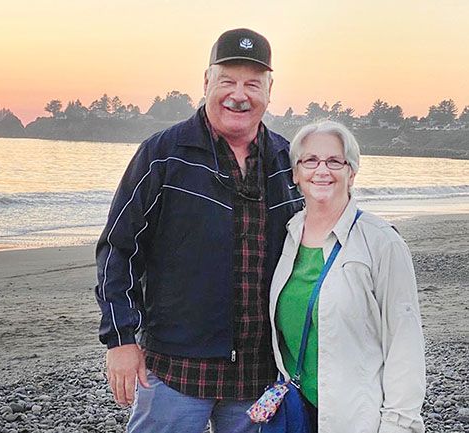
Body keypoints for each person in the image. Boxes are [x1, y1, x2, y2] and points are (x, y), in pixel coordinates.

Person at [95, 28, 304, 433]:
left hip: (258, 372)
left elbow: (314, 247)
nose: (238, 94)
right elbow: (118, 250)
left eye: (252, 83)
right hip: (176, 367)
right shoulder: (164, 154)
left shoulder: (287, 160)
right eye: (227, 80)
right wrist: (120, 339)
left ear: (269, 90)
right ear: (206, 82)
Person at [269, 120, 426, 432]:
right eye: (310, 160)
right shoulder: (286, 236)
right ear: (296, 174)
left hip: (356, 419)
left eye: (335, 161)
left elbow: (405, 344)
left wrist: (399, 424)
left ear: (351, 173)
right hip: (296, 414)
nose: (322, 170)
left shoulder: (381, 242)